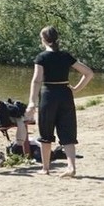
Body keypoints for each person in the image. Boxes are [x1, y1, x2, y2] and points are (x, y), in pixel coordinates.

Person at [26, 26, 94, 176]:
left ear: (43, 39)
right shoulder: (65, 56)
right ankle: (71, 167)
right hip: (65, 94)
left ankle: (45, 168)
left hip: (48, 95)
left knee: (46, 132)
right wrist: (76, 89)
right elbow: (88, 73)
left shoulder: (42, 57)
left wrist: (32, 102)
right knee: (67, 131)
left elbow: (37, 80)